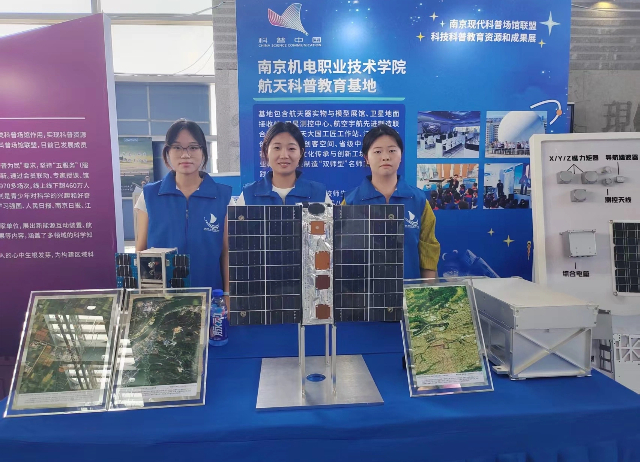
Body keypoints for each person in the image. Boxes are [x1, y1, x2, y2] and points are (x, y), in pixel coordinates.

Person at [135, 119, 232, 293]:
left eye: (193, 147)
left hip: (210, 296)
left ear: (203, 151)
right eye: (177, 147)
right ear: (167, 152)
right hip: (162, 299)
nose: (185, 155)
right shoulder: (149, 196)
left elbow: (227, 253)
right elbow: (141, 250)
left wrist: (227, 294)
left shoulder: (223, 197)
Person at [343, 124, 440, 279]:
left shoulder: (418, 200)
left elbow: (428, 251)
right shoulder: (351, 202)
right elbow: (343, 254)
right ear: (366, 158)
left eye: (392, 150)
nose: (385, 157)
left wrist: (427, 290)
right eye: (377, 151)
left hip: (409, 290)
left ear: (401, 155)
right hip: (365, 292)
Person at [237, 122, 330, 205]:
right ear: (266, 151)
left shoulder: (319, 194)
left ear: (301, 153)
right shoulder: (248, 196)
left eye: (291, 149)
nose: (284, 155)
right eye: (277, 148)